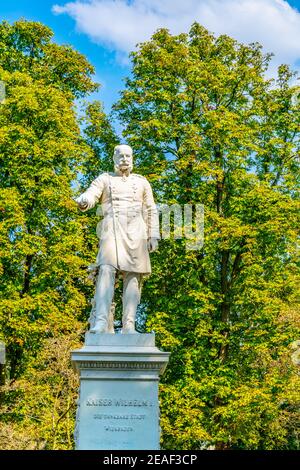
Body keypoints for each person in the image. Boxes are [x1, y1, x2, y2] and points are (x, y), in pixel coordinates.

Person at [75, 144, 160, 333]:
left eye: (128, 156)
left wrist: (153, 234)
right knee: (106, 270)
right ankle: (101, 322)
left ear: (133, 158)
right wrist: (85, 200)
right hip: (111, 229)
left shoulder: (142, 182)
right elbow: (92, 193)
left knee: (133, 276)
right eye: (121, 156)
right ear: (114, 158)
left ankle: (129, 325)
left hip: (136, 232)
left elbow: (151, 209)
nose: (124, 159)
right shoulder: (105, 179)